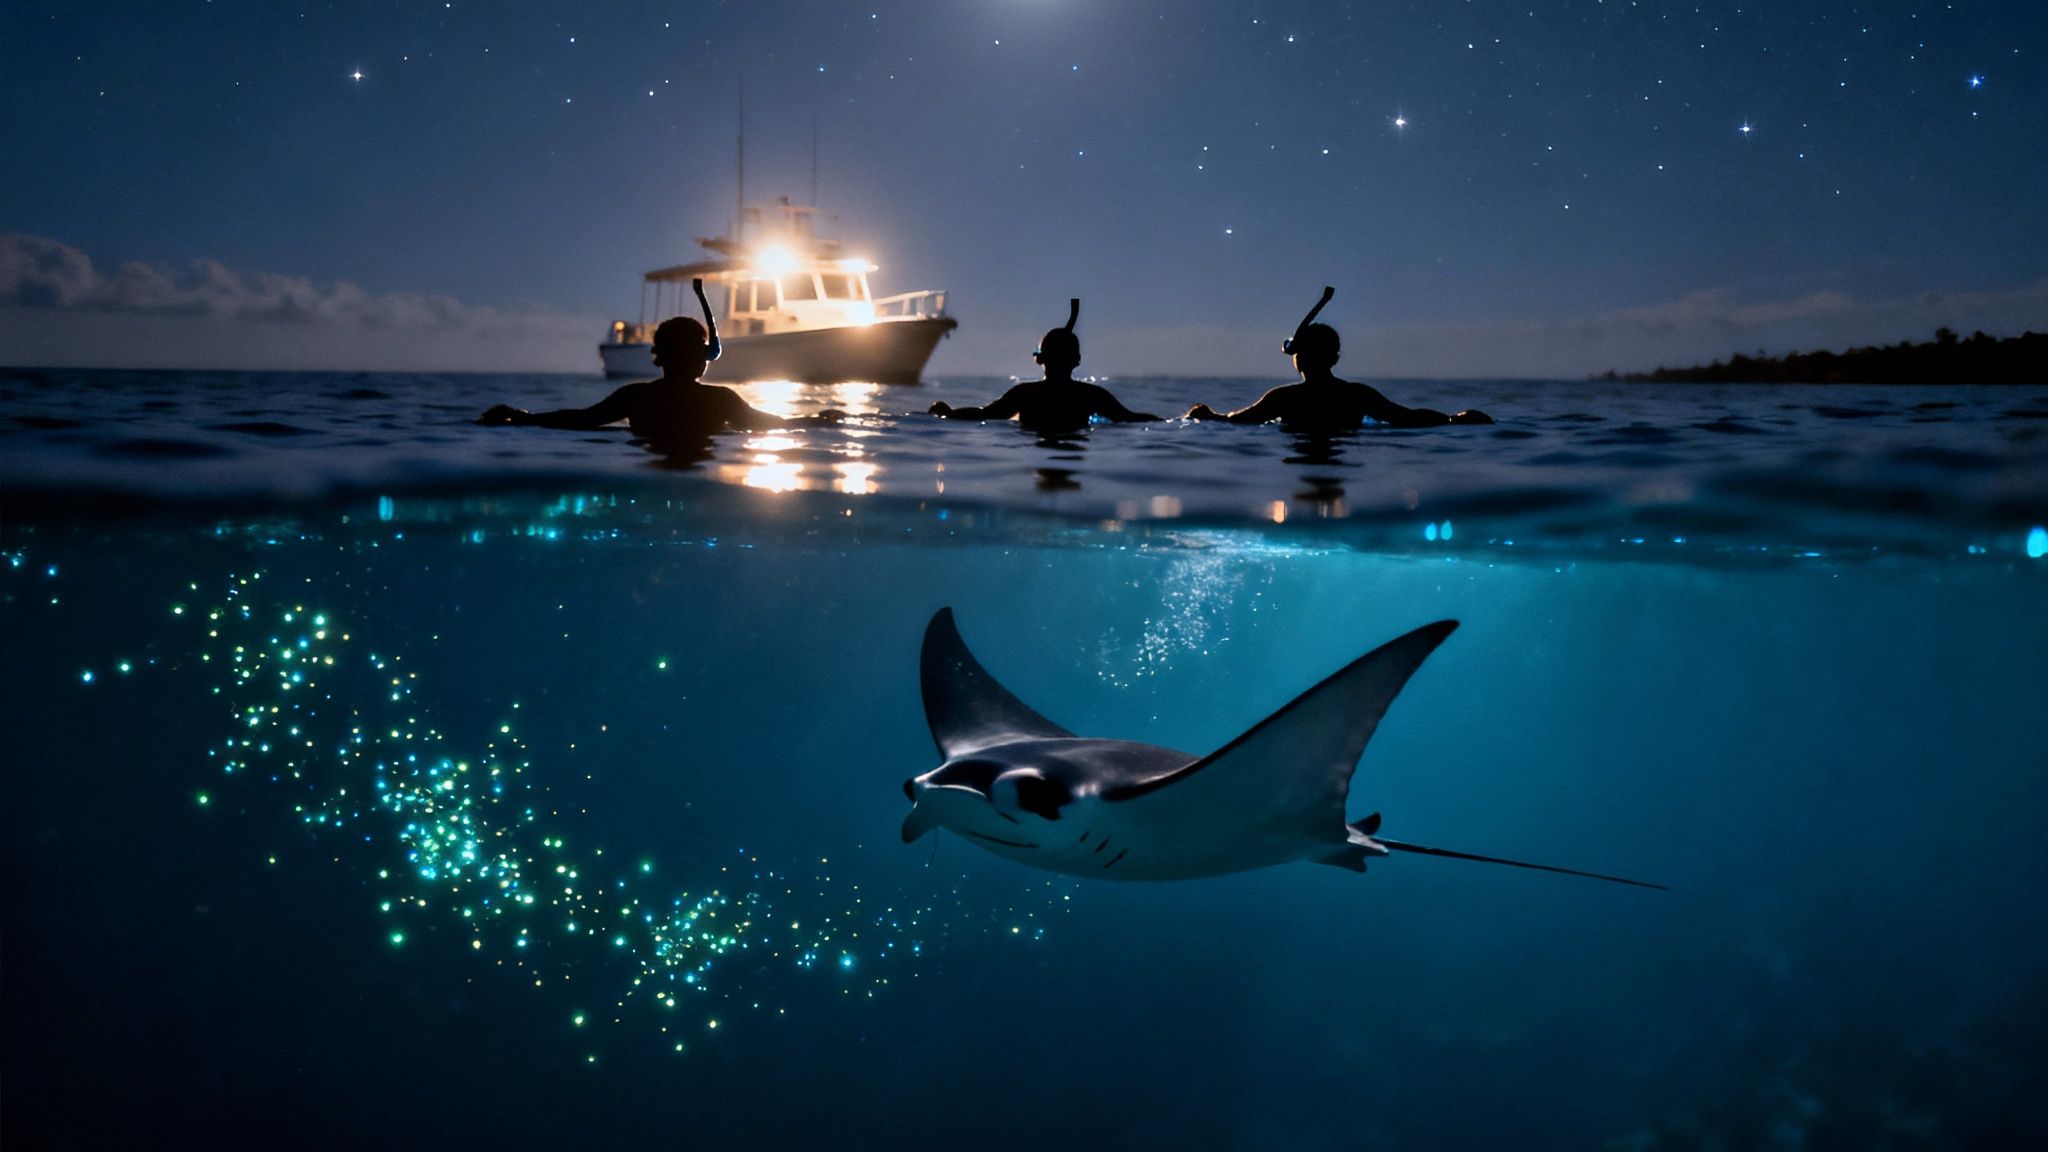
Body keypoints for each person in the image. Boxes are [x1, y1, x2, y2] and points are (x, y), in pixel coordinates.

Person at [477, 315, 792, 444]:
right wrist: (816, 420)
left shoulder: (636, 396)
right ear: (701, 358)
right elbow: (774, 424)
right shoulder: (720, 399)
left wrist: (523, 417)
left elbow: (582, 419)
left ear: (659, 356)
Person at [1185, 323, 1493, 430]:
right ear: (1334, 358)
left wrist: (1208, 416)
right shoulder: (1357, 395)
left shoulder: (1284, 398)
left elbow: (1239, 421)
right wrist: (1453, 419)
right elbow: (1405, 417)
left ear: (1297, 360)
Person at [929, 301, 1159, 432]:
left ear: (1040, 359)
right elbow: (1130, 418)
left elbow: (985, 414)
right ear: (1076, 360)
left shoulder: (1025, 394)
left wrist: (947, 414)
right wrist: (1178, 420)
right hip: (1075, 454)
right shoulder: (1091, 395)